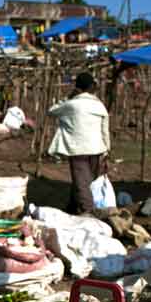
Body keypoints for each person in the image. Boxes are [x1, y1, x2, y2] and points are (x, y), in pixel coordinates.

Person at [47, 72, 111, 215]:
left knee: (82, 183)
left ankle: (88, 212)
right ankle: (74, 207)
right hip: (97, 149)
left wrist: (66, 98)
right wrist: (107, 150)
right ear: (92, 88)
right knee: (90, 181)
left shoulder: (71, 105)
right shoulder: (99, 105)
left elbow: (51, 111)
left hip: (78, 149)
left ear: (77, 88)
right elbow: (105, 130)